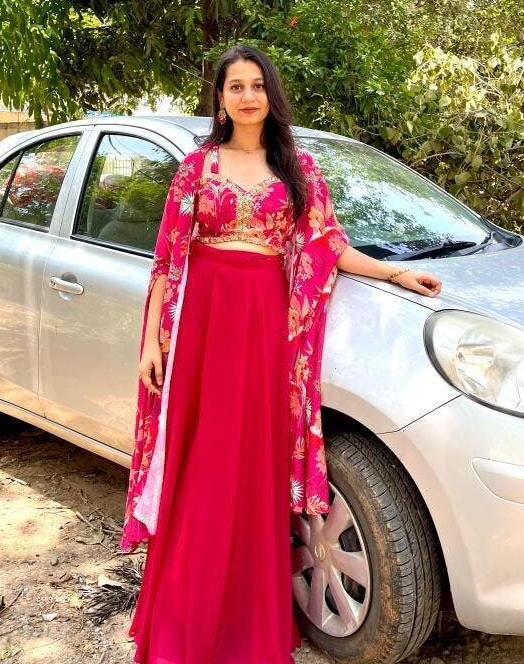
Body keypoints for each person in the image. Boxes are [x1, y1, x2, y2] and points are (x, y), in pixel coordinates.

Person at [119, 43, 442, 663]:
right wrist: (154, 342)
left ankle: (249, 630)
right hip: (202, 329)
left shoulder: (298, 168)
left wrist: (396, 273)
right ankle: (183, 627)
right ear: (220, 99)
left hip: (264, 327)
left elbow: (329, 245)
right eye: (235, 87)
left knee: (251, 470)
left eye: (257, 85)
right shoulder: (197, 167)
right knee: (201, 469)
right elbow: (167, 258)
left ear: (271, 94)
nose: (247, 96)